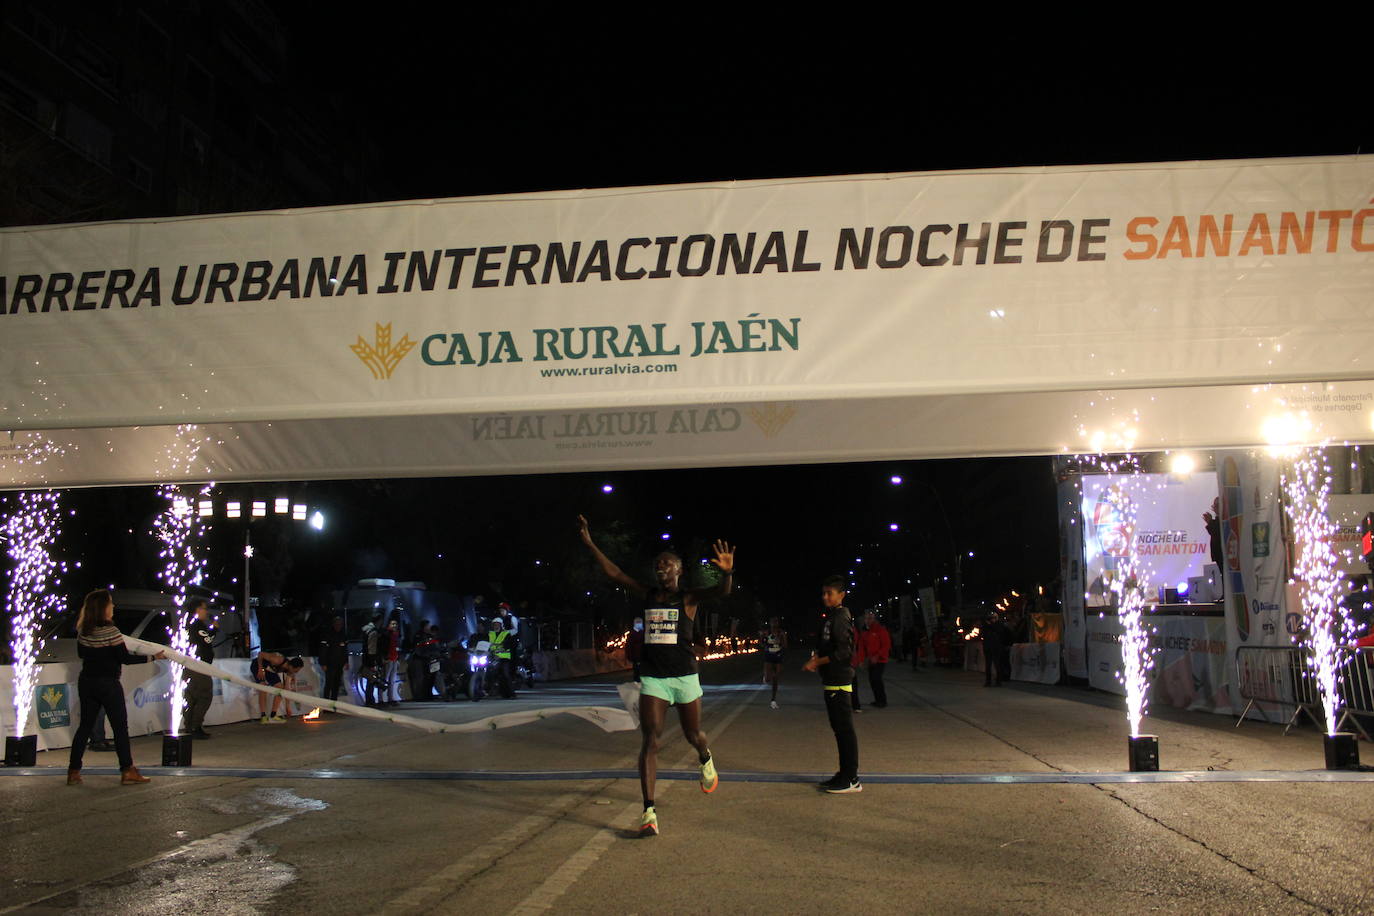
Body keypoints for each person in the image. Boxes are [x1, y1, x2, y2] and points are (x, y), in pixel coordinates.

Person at [578, 514, 734, 837]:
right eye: (658, 564)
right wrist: (591, 544)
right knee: (651, 740)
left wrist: (728, 572)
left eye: (667, 564)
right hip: (654, 679)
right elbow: (616, 573)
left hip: (685, 677)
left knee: (694, 735)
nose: (660, 568)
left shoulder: (689, 597)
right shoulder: (648, 594)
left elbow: (721, 591)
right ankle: (649, 812)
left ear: (678, 570)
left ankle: (705, 757)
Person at [67, 589, 165, 785]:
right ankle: (127, 770)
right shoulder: (112, 632)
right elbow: (125, 658)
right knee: (120, 727)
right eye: (110, 603)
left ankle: (73, 771)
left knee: (85, 726)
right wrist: (152, 657)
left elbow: (81, 655)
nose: (113, 607)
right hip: (109, 684)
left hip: (87, 682)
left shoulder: (83, 632)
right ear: (103, 608)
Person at [804, 576, 861, 794]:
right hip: (831, 680)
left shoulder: (841, 616)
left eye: (830, 593)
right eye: (823, 593)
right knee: (839, 730)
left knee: (844, 730)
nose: (825, 597)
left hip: (839, 680)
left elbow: (844, 651)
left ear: (841, 594)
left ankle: (851, 779)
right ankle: (844, 773)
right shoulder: (832, 616)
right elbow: (827, 645)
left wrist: (817, 661)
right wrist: (817, 655)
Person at [181, 598, 217, 739]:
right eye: (204, 608)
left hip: (189, 665)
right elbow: (207, 640)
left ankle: (189, 726)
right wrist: (215, 629)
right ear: (197, 610)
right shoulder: (197, 625)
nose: (206, 611)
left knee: (191, 697)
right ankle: (195, 726)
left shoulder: (188, 624)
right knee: (204, 695)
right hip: (199, 667)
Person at [252, 651, 304, 722]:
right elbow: (260, 654)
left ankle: (273, 715)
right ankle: (263, 716)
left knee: (280, 688)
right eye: (295, 671)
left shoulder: (290, 671)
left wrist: (287, 706)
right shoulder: (277, 660)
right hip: (258, 666)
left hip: (270, 670)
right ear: (291, 666)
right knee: (263, 687)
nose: (295, 673)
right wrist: (260, 669)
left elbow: (286, 689)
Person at [859, 610, 891, 708]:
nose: (868, 620)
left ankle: (882, 701)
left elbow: (886, 645)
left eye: (870, 618)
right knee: (872, 680)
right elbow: (862, 647)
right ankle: (878, 700)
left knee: (876, 679)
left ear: (874, 619)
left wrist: (877, 656)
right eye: (866, 618)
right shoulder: (864, 631)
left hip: (880, 660)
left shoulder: (880, 630)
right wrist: (862, 660)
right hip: (870, 660)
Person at [319, 615, 349, 702]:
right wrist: (323, 663)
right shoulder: (327, 635)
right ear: (333, 624)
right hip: (329, 664)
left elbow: (345, 649)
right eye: (337, 624)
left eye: (340, 624)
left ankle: (334, 704)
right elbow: (323, 650)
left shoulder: (343, 635)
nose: (338, 626)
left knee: (336, 684)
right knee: (329, 684)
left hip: (339, 664)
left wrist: (346, 661)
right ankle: (326, 704)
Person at [487, 616, 516, 699]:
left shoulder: (506, 633)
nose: (496, 626)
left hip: (504, 657)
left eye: (497, 624)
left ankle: (512, 693)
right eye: (494, 624)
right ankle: (491, 689)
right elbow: (484, 642)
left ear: (501, 625)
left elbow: (508, 643)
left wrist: (502, 645)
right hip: (492, 657)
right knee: (490, 672)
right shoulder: (490, 634)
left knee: (505, 674)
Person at [762, 617, 788, 708]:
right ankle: (766, 676)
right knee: (769, 679)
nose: (774, 624)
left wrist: (780, 641)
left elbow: (785, 645)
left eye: (776, 622)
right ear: (770, 623)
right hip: (768, 655)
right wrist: (765, 640)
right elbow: (761, 643)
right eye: (772, 622)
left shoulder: (781, 633)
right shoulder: (766, 632)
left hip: (778, 656)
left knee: (776, 678)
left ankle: (773, 700)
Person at [361, 614, 384, 706]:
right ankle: (370, 701)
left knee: (369, 680)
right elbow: (372, 648)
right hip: (371, 659)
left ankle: (369, 700)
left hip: (365, 658)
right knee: (372, 680)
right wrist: (373, 662)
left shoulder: (365, 630)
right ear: (378, 621)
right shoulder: (373, 632)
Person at [626, 616, 645, 682]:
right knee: (637, 673)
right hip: (636, 656)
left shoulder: (643, 633)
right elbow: (629, 646)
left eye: (640, 622)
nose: (639, 624)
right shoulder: (632, 634)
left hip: (642, 656)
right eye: (638, 622)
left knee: (641, 673)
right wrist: (630, 656)